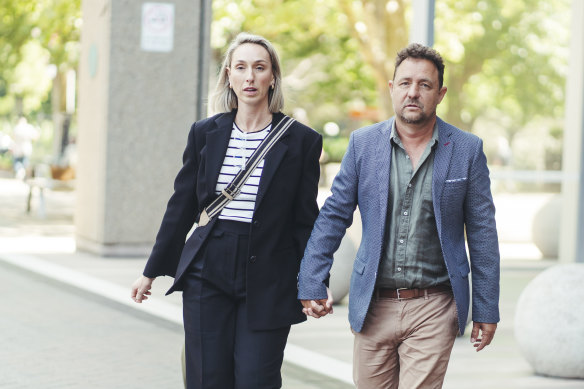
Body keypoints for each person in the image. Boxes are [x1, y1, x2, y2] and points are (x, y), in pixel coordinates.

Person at [297, 43, 500, 388]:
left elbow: (482, 233)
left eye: (424, 85)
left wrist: (486, 308)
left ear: (440, 93)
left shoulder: (466, 150)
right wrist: (311, 278)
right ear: (392, 88)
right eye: (405, 83)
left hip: (434, 305)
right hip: (373, 302)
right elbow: (334, 215)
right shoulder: (363, 144)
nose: (413, 92)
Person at [130, 32, 322, 389]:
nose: (250, 77)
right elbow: (182, 203)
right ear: (229, 77)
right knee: (206, 379)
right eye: (241, 68)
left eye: (259, 68)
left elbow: (304, 222)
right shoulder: (205, 133)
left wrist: (312, 282)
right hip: (208, 267)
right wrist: (152, 270)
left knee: (256, 379)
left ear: (272, 77)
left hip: (268, 273)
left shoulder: (302, 140)